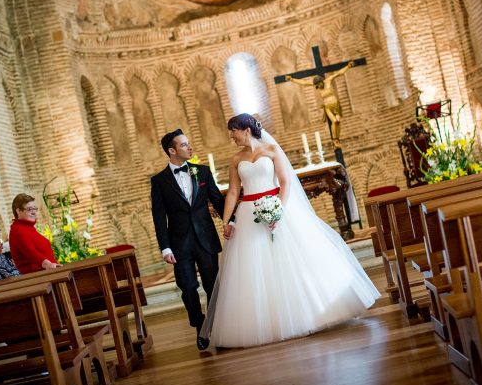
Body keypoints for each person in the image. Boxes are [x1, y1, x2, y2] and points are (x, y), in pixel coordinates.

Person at [200, 113, 380, 348]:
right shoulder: (235, 160)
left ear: (245, 129)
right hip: (248, 215)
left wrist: (279, 211)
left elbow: (284, 182)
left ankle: (310, 313)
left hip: (277, 208)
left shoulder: (272, 150)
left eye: (233, 131)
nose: (231, 136)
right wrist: (227, 221)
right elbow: (234, 192)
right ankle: (265, 324)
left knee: (294, 262)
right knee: (254, 267)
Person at [150, 129, 232, 350]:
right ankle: (200, 325)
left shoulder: (202, 172)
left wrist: (230, 221)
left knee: (212, 284)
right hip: (179, 244)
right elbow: (158, 217)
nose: (190, 147)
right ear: (172, 150)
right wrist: (165, 247)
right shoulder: (159, 181)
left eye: (188, 143)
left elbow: (217, 200)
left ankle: (219, 327)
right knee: (187, 287)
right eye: (184, 144)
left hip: (205, 238)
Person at [285, 60, 354, 148]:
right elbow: (304, 83)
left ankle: (337, 140)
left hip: (335, 104)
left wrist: (348, 67)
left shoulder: (328, 81)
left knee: (338, 121)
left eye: (319, 84)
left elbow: (338, 73)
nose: (319, 87)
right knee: (334, 121)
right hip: (328, 106)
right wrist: (292, 79)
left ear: (322, 81)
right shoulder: (317, 85)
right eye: (317, 86)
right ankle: (335, 140)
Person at [9, 193, 61, 274]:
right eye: (30, 209)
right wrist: (48, 264)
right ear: (18, 211)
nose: (34, 212)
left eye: (35, 209)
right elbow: (31, 252)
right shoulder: (18, 230)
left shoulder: (27, 227)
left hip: (47, 272)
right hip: (39, 276)